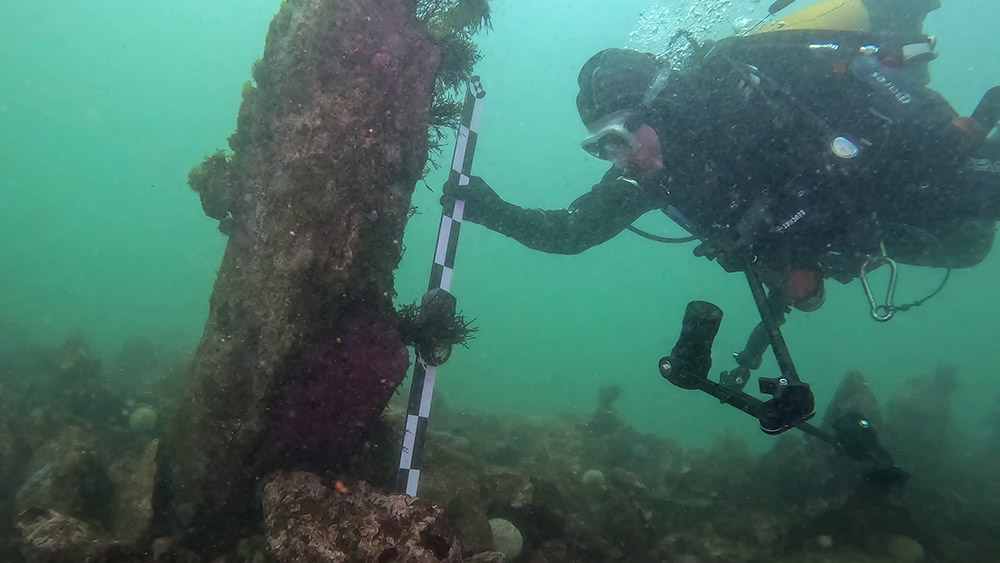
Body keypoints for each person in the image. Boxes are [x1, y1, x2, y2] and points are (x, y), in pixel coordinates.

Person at [442, 0, 1000, 314]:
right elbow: (568, 232)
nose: (619, 159)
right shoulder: (654, 179)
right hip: (895, 234)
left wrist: (946, 128)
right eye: (601, 148)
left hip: (917, 174)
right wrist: (487, 207)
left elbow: (860, 82)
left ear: (652, 108)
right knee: (972, 243)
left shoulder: (743, 92)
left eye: (618, 137)